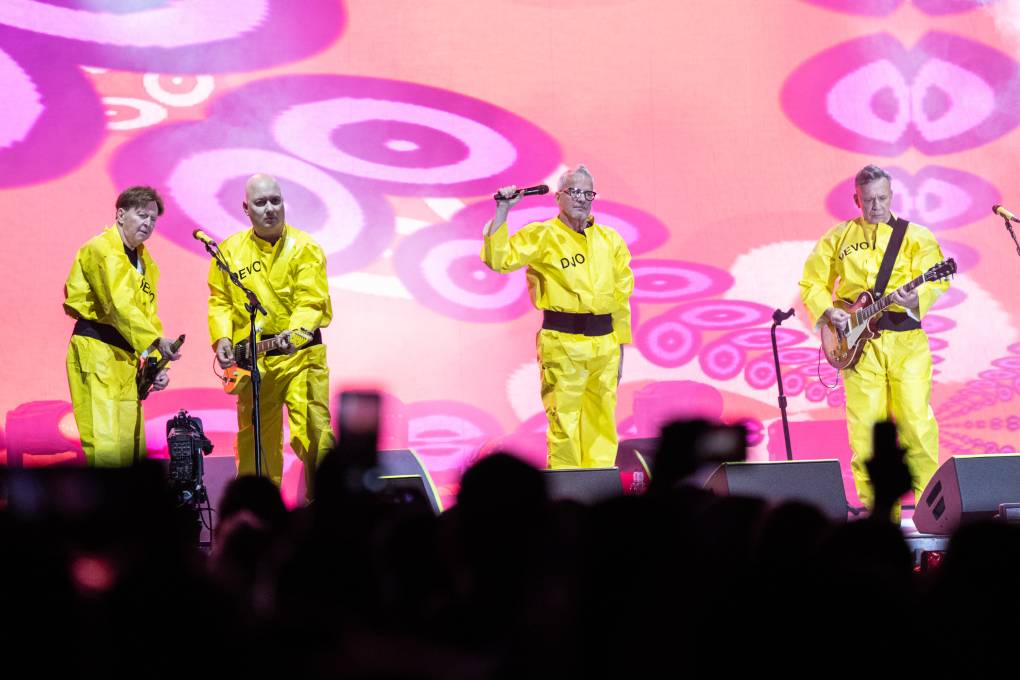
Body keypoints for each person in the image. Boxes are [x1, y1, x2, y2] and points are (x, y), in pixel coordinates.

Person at [800, 164, 949, 516]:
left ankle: (931, 515)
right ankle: (880, 518)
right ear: (856, 199)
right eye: (868, 200)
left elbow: (937, 278)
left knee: (916, 425)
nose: (876, 206)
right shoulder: (838, 237)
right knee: (865, 435)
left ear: (892, 196)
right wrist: (828, 311)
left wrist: (918, 297)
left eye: (882, 198)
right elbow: (812, 282)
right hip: (858, 347)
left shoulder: (916, 236)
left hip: (906, 343)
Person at [481, 165, 634, 468]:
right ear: (559, 196)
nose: (582, 199)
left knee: (602, 424)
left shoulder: (611, 241)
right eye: (574, 191)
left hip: (604, 345)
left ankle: (600, 493)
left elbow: (621, 298)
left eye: (588, 192)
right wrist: (502, 212)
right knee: (564, 424)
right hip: (563, 343)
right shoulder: (543, 235)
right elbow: (499, 260)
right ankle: (567, 498)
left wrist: (620, 349)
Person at [208, 174, 334, 497]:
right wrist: (222, 339)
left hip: (301, 356)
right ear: (245, 209)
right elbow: (220, 301)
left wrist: (294, 334)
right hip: (255, 364)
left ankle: (328, 513)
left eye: (275, 201)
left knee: (315, 433)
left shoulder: (305, 248)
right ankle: (259, 519)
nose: (270, 209)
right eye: (261, 203)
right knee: (255, 446)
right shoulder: (230, 252)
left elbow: (311, 300)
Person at [64, 186, 182, 466]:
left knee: (130, 449)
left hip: (126, 362)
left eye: (153, 219)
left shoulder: (145, 263)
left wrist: (157, 364)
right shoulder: (101, 249)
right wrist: (154, 341)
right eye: (142, 215)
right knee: (105, 446)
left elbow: (148, 314)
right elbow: (117, 305)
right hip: (97, 351)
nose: (148, 224)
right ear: (120, 214)